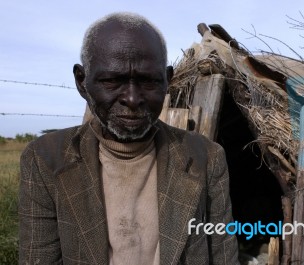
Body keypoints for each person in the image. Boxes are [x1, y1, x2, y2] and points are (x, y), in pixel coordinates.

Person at [18, 12, 239, 265]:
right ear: (82, 82)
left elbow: (224, 256)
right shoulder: (45, 159)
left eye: (148, 81)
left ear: (167, 80)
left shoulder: (207, 157)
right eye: (112, 80)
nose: (132, 99)